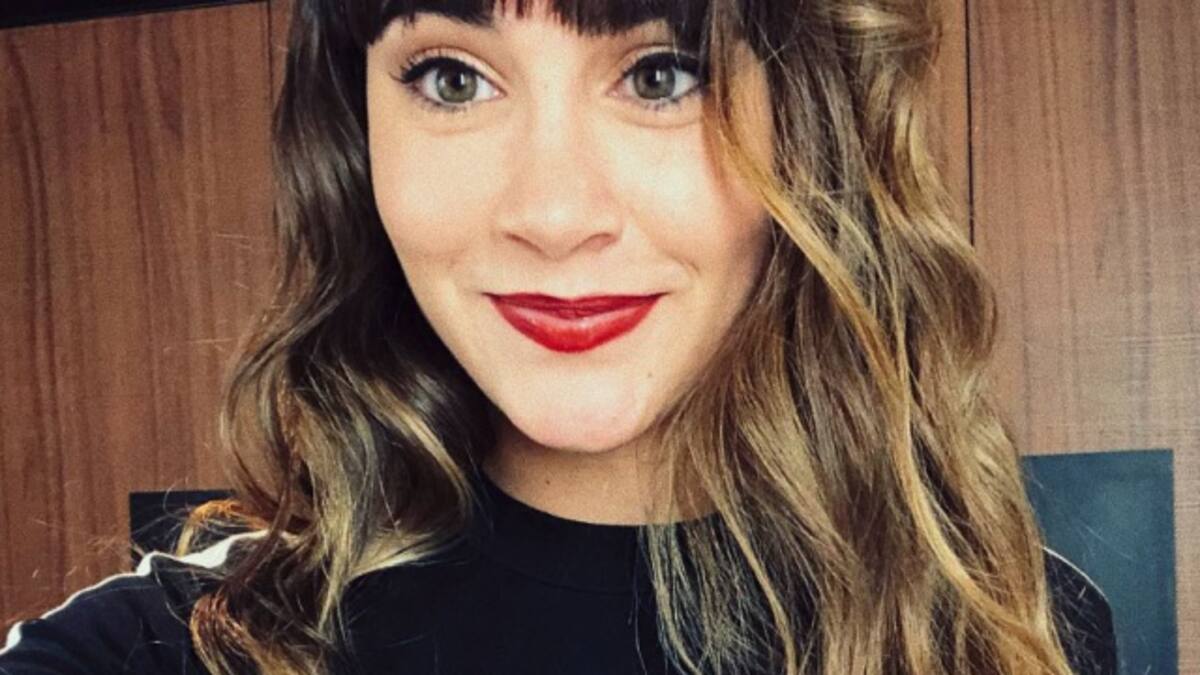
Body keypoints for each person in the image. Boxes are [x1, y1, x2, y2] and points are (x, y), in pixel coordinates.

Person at [0, 0, 1119, 673]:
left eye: (660, 73)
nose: (551, 212)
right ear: (357, 134)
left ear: (812, 128)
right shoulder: (165, 649)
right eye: (452, 78)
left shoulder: (1006, 625)